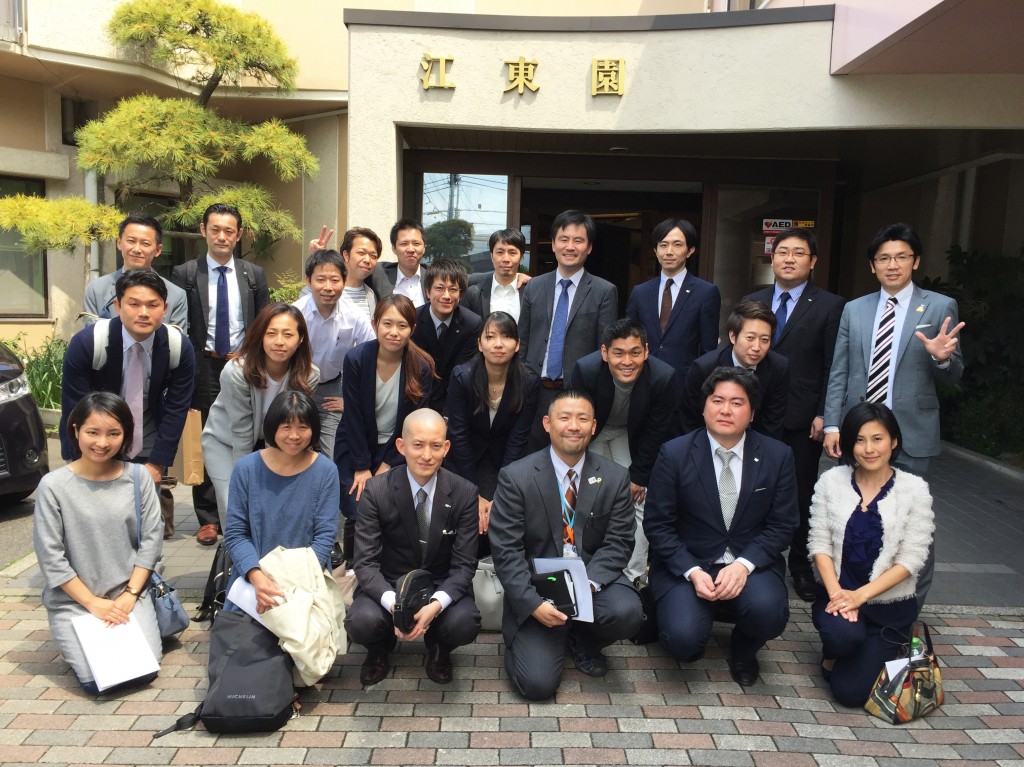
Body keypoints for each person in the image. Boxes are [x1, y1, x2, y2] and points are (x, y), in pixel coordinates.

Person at [823, 223, 963, 605]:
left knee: (912, 522)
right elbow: (839, 371)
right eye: (884, 258)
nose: (893, 265)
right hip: (858, 433)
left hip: (911, 433)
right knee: (852, 515)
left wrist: (942, 358)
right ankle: (853, 595)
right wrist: (833, 423)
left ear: (915, 261)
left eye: (902, 257)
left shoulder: (939, 306)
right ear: (872, 265)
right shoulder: (855, 309)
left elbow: (954, 375)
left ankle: (909, 606)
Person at [644, 368, 798, 687]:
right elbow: (658, 525)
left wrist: (743, 565)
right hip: (689, 563)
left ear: (752, 413)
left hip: (748, 563)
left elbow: (783, 524)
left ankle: (744, 647)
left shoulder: (777, 455)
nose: (726, 410)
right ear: (704, 408)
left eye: (737, 403)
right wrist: (691, 571)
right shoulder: (674, 453)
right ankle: (678, 616)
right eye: (717, 400)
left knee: (769, 613)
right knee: (683, 641)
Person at [489, 390, 644, 701]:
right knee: (537, 685)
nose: (574, 426)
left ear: (593, 427)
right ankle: (537, 638)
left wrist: (585, 586)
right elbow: (506, 551)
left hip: (591, 583)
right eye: (565, 417)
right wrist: (532, 603)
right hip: (538, 587)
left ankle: (584, 639)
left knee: (627, 612)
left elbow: (620, 541)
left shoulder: (614, 477)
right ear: (547, 424)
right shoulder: (516, 477)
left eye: (582, 419)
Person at [34, 392, 163, 695]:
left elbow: (151, 541)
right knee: (97, 681)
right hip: (74, 600)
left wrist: (131, 594)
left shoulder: (139, 478)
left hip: (127, 595)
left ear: (126, 435)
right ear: (76, 430)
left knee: (143, 671)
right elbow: (51, 556)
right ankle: (74, 639)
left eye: (113, 433)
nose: (102, 443)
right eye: (92, 432)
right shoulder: (53, 486)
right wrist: (92, 603)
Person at [808, 402, 934, 708]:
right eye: (860, 440)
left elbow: (911, 560)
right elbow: (819, 544)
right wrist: (839, 595)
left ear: (894, 441)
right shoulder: (831, 481)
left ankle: (880, 647)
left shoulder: (915, 490)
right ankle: (834, 653)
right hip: (839, 598)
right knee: (843, 637)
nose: (869, 449)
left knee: (849, 693)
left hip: (888, 608)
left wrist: (860, 596)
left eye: (878, 439)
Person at [744, 227, 846, 602]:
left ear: (812, 261)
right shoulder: (753, 300)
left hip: (803, 420)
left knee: (802, 494)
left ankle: (801, 566)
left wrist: (825, 414)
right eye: (782, 252)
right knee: (752, 488)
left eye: (798, 253)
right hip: (753, 415)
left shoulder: (831, 305)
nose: (789, 259)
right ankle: (752, 556)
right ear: (772, 258)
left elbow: (834, 365)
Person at [347, 409, 481, 686]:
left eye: (435, 446)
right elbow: (365, 563)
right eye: (418, 445)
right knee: (360, 621)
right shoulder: (376, 490)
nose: (426, 455)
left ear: (446, 448)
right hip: (389, 583)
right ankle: (379, 649)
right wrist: (395, 606)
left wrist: (436, 604)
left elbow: (464, 565)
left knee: (465, 622)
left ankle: (439, 648)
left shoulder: (465, 492)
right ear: (401, 446)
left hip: (439, 582)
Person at [61, 269, 195, 539]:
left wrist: (157, 464)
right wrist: (82, 460)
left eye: (152, 305)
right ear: (118, 306)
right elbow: (75, 408)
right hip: (97, 431)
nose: (143, 313)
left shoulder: (178, 346)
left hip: (147, 429)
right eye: (134, 304)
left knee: (144, 516)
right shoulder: (87, 343)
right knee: (95, 516)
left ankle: (144, 562)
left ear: (165, 308)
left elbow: (177, 407)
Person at [171, 203, 271, 545]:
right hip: (205, 365)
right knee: (208, 436)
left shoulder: (253, 274)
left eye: (229, 231)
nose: (222, 237)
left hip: (244, 365)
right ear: (203, 231)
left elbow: (264, 320)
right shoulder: (186, 273)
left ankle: (245, 508)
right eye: (215, 229)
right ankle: (208, 517)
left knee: (246, 431)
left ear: (238, 234)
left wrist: (252, 356)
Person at [565, 318, 679, 583]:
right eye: (619, 353)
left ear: (646, 351)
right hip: (592, 431)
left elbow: (656, 432)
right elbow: (574, 421)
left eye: (635, 352)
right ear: (605, 353)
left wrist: (639, 476)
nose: (627, 361)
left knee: (638, 497)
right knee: (585, 489)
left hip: (632, 436)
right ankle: (577, 568)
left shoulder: (663, 377)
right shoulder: (585, 370)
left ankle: (632, 576)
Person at [334, 295, 436, 569]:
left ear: (412, 329)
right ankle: (354, 569)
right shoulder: (357, 358)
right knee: (359, 506)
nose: (394, 332)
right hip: (356, 445)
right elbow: (353, 415)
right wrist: (361, 467)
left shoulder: (421, 365)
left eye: (402, 325)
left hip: (399, 449)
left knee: (392, 508)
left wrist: (388, 464)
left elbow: (413, 424)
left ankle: (391, 570)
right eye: (387, 324)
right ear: (374, 324)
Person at [201, 303, 319, 532]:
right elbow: (241, 430)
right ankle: (235, 552)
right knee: (236, 504)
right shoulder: (236, 372)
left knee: (273, 505)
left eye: (288, 334)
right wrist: (245, 479)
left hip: (276, 444)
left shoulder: (309, 375)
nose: (279, 342)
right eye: (271, 333)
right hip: (227, 443)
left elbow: (293, 424)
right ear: (260, 336)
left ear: (301, 339)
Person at [223, 391, 340, 618]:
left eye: (303, 427)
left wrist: (290, 583)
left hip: (307, 582)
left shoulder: (326, 471)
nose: (294, 436)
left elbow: (325, 537)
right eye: (286, 427)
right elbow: (236, 534)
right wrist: (257, 576)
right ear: (272, 427)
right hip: (254, 583)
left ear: (313, 429)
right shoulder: (246, 468)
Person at [518, 210, 618, 447]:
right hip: (534, 392)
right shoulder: (534, 287)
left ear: (589, 247)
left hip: (577, 395)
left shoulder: (604, 291)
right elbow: (522, 340)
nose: (570, 246)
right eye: (563, 239)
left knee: (572, 457)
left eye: (578, 240)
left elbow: (604, 352)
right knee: (532, 458)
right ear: (553, 244)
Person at [447, 311, 540, 543]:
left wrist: (502, 491)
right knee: (467, 516)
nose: (498, 344)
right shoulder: (462, 377)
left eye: (506, 337)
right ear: (480, 344)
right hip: (464, 461)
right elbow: (459, 436)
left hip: (506, 461)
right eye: (490, 337)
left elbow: (518, 439)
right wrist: (473, 492)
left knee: (505, 516)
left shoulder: (528, 382)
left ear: (517, 345)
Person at [293, 249, 375, 456]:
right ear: (308, 281)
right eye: (320, 279)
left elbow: (372, 359)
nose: (328, 287)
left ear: (345, 281)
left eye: (335, 280)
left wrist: (351, 399)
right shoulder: (296, 313)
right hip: (297, 386)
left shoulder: (354, 315)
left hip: (332, 389)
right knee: (294, 450)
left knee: (333, 455)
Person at [625, 218, 720, 395]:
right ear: (655, 250)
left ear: (690, 250)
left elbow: (709, 350)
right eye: (663, 245)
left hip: (684, 386)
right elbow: (628, 338)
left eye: (677, 245)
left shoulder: (706, 292)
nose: (669, 252)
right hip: (642, 383)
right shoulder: (640, 292)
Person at [681, 300, 789, 441]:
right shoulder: (704, 368)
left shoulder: (778, 367)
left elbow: (773, 423)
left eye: (764, 340)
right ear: (733, 336)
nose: (757, 347)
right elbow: (690, 420)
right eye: (750, 338)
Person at [83, 213, 188, 331]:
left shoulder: (175, 295)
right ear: (119, 243)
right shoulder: (97, 289)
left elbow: (176, 340)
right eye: (131, 241)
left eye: (145, 243)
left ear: (158, 250)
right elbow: (90, 336)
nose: (137, 249)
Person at [410, 257, 483, 413]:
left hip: (455, 400)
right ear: (427, 291)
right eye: (440, 288)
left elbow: (462, 372)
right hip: (416, 398)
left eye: (453, 289)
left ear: (461, 294)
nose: (446, 296)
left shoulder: (472, 324)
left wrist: (447, 414)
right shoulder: (412, 320)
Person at [463, 228, 528, 322]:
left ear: (521, 257)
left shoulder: (532, 293)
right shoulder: (474, 294)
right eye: (500, 252)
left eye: (512, 253)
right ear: (491, 256)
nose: (506, 259)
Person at [381, 219, 427, 307]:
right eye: (404, 244)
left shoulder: (433, 276)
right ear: (394, 248)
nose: (411, 249)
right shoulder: (379, 274)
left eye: (416, 243)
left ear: (424, 248)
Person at [340, 227, 384, 316]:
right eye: (361, 253)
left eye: (373, 256)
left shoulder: (372, 296)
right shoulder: (328, 290)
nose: (367, 260)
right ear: (346, 255)